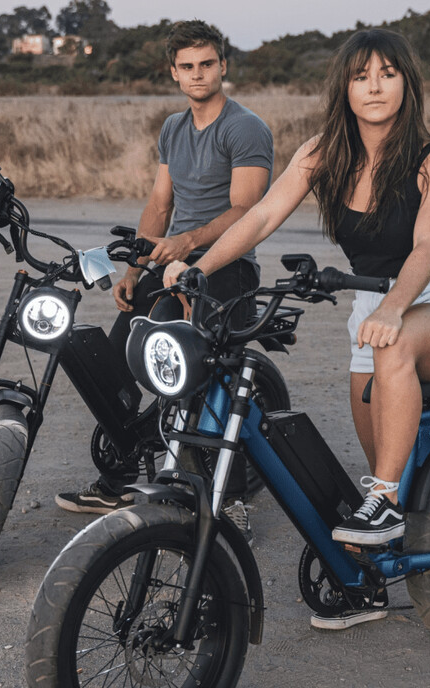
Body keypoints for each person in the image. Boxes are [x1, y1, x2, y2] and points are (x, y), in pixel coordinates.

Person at [164, 29, 430, 565]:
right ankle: (389, 534)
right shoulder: (322, 153)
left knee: (392, 367)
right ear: (345, 88)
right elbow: (261, 216)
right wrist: (199, 268)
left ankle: (385, 503)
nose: (374, 87)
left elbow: (427, 247)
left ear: (407, 83)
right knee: (382, 458)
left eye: (387, 74)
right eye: (361, 77)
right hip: (370, 308)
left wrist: (393, 308)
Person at [55, 19, 274, 515]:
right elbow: (160, 204)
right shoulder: (173, 128)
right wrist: (135, 270)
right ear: (174, 72)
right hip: (171, 259)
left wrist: (187, 242)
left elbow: (247, 211)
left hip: (227, 264)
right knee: (116, 361)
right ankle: (119, 479)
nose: (198, 74)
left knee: (205, 376)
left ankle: (230, 503)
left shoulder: (244, 127)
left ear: (223, 66)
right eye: (187, 66)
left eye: (207, 64)